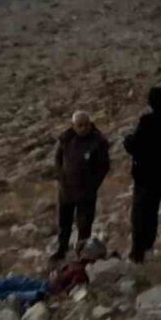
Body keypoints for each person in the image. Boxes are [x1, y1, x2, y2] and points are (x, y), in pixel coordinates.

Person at [123, 87, 161, 263]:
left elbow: (134, 146)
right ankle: (148, 247)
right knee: (152, 211)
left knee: (139, 213)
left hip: (144, 175)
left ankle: (137, 252)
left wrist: (127, 141)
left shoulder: (147, 121)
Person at [53, 111, 110, 260]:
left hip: (86, 191)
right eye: (80, 125)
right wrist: (61, 178)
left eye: (86, 125)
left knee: (84, 225)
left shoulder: (98, 141)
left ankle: (83, 253)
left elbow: (104, 166)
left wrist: (93, 185)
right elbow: (57, 159)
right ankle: (62, 249)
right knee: (64, 222)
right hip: (66, 190)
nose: (83, 128)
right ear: (73, 126)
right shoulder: (66, 139)